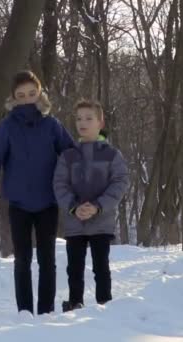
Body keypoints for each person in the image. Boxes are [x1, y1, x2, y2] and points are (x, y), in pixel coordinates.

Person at [0, 71, 75, 315]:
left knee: (47, 262)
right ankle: (25, 314)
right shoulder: (6, 128)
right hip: (18, 205)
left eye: (32, 93)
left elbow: (73, 157)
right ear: (14, 99)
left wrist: (84, 189)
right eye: (21, 95)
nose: (28, 99)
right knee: (22, 262)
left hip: (47, 204)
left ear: (40, 93)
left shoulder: (52, 126)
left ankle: (46, 312)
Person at [53, 99, 129, 312]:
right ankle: (75, 303)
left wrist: (97, 206)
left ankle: (105, 305)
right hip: (74, 221)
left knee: (101, 267)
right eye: (78, 119)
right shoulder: (68, 156)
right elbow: (59, 184)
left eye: (88, 118)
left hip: (101, 221)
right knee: (74, 267)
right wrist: (74, 208)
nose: (82, 123)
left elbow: (120, 182)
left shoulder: (112, 155)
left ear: (100, 123)